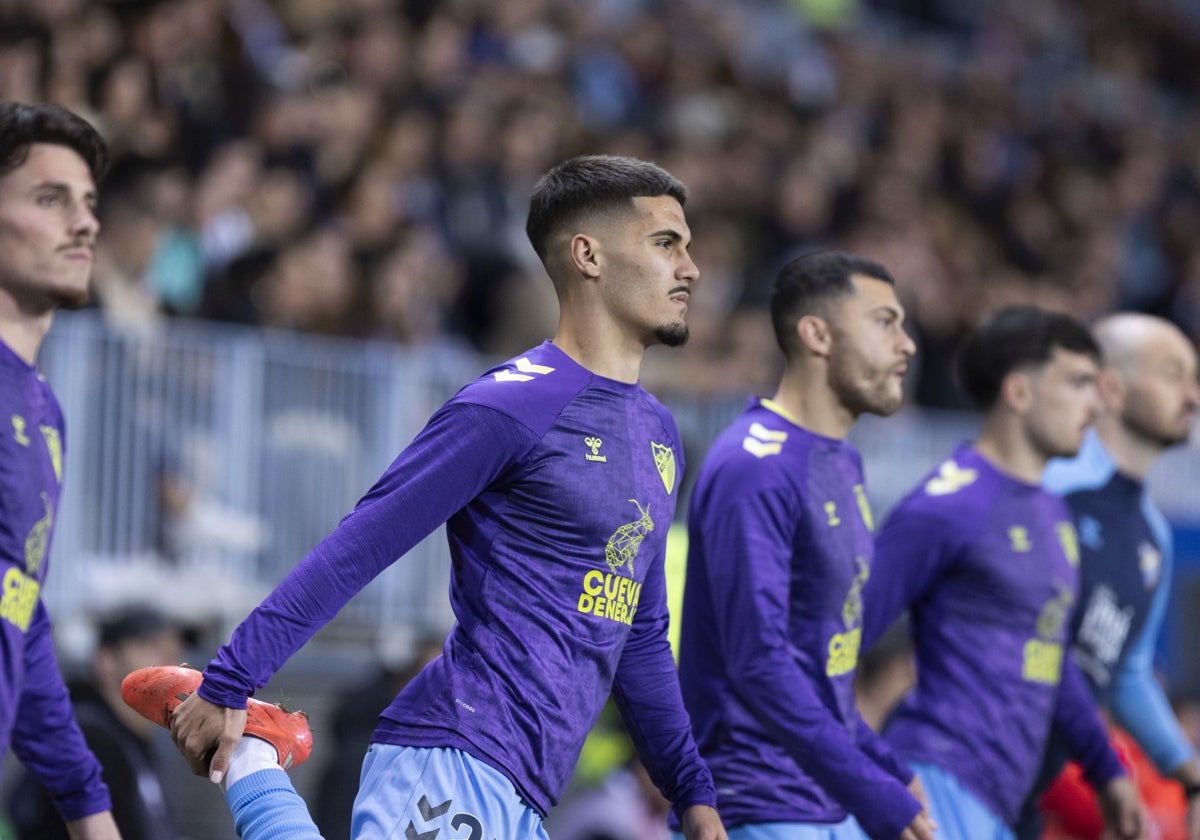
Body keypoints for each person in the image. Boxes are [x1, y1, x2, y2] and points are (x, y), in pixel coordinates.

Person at [122, 154, 728, 840]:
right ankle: (254, 760)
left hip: (531, 791)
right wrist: (230, 681)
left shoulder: (659, 435)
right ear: (588, 255)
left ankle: (258, 758)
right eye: (665, 243)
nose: (691, 268)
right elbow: (359, 547)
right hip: (454, 751)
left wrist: (692, 794)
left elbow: (639, 635)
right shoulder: (511, 405)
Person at [859, 305, 1145, 840]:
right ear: (1019, 393)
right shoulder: (950, 503)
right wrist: (872, 765)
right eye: (1079, 381)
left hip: (999, 804)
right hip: (936, 785)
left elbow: (1050, 652)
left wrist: (1107, 771)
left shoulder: (1051, 512)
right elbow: (836, 641)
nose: (1096, 401)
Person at [676, 250, 935, 839]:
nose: (908, 344)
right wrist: (869, 789)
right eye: (884, 322)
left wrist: (884, 767)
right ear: (816, 334)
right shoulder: (756, 466)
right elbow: (759, 661)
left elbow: (824, 674)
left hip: (819, 798)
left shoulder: (840, 464)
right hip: (756, 803)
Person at [1017, 313, 1200, 840]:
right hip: (964, 763)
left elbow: (1125, 671)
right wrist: (1109, 771)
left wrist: (1186, 772)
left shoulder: (1153, 537)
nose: (1192, 394)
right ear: (1111, 388)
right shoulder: (1045, 488)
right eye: (1173, 374)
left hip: (1029, 790)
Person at [0, 100, 121, 840]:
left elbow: (20, 610)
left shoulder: (43, 411)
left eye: (88, 203)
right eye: (50, 199)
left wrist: (86, 805)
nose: (85, 223)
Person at [9, 606, 187, 840]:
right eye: (150, 647)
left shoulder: (142, 744)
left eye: (173, 653)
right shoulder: (88, 736)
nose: (169, 662)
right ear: (106, 659)